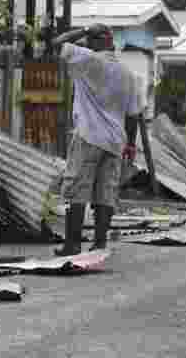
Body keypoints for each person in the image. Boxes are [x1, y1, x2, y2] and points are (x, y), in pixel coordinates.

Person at [50, 22, 144, 255]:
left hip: (88, 136)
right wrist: (130, 144)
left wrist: (83, 30)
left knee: (77, 188)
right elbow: (133, 115)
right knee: (105, 192)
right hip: (115, 141)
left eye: (89, 40)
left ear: (95, 42)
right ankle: (100, 242)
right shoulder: (128, 74)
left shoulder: (89, 60)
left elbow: (56, 44)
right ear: (111, 43)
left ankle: (72, 245)